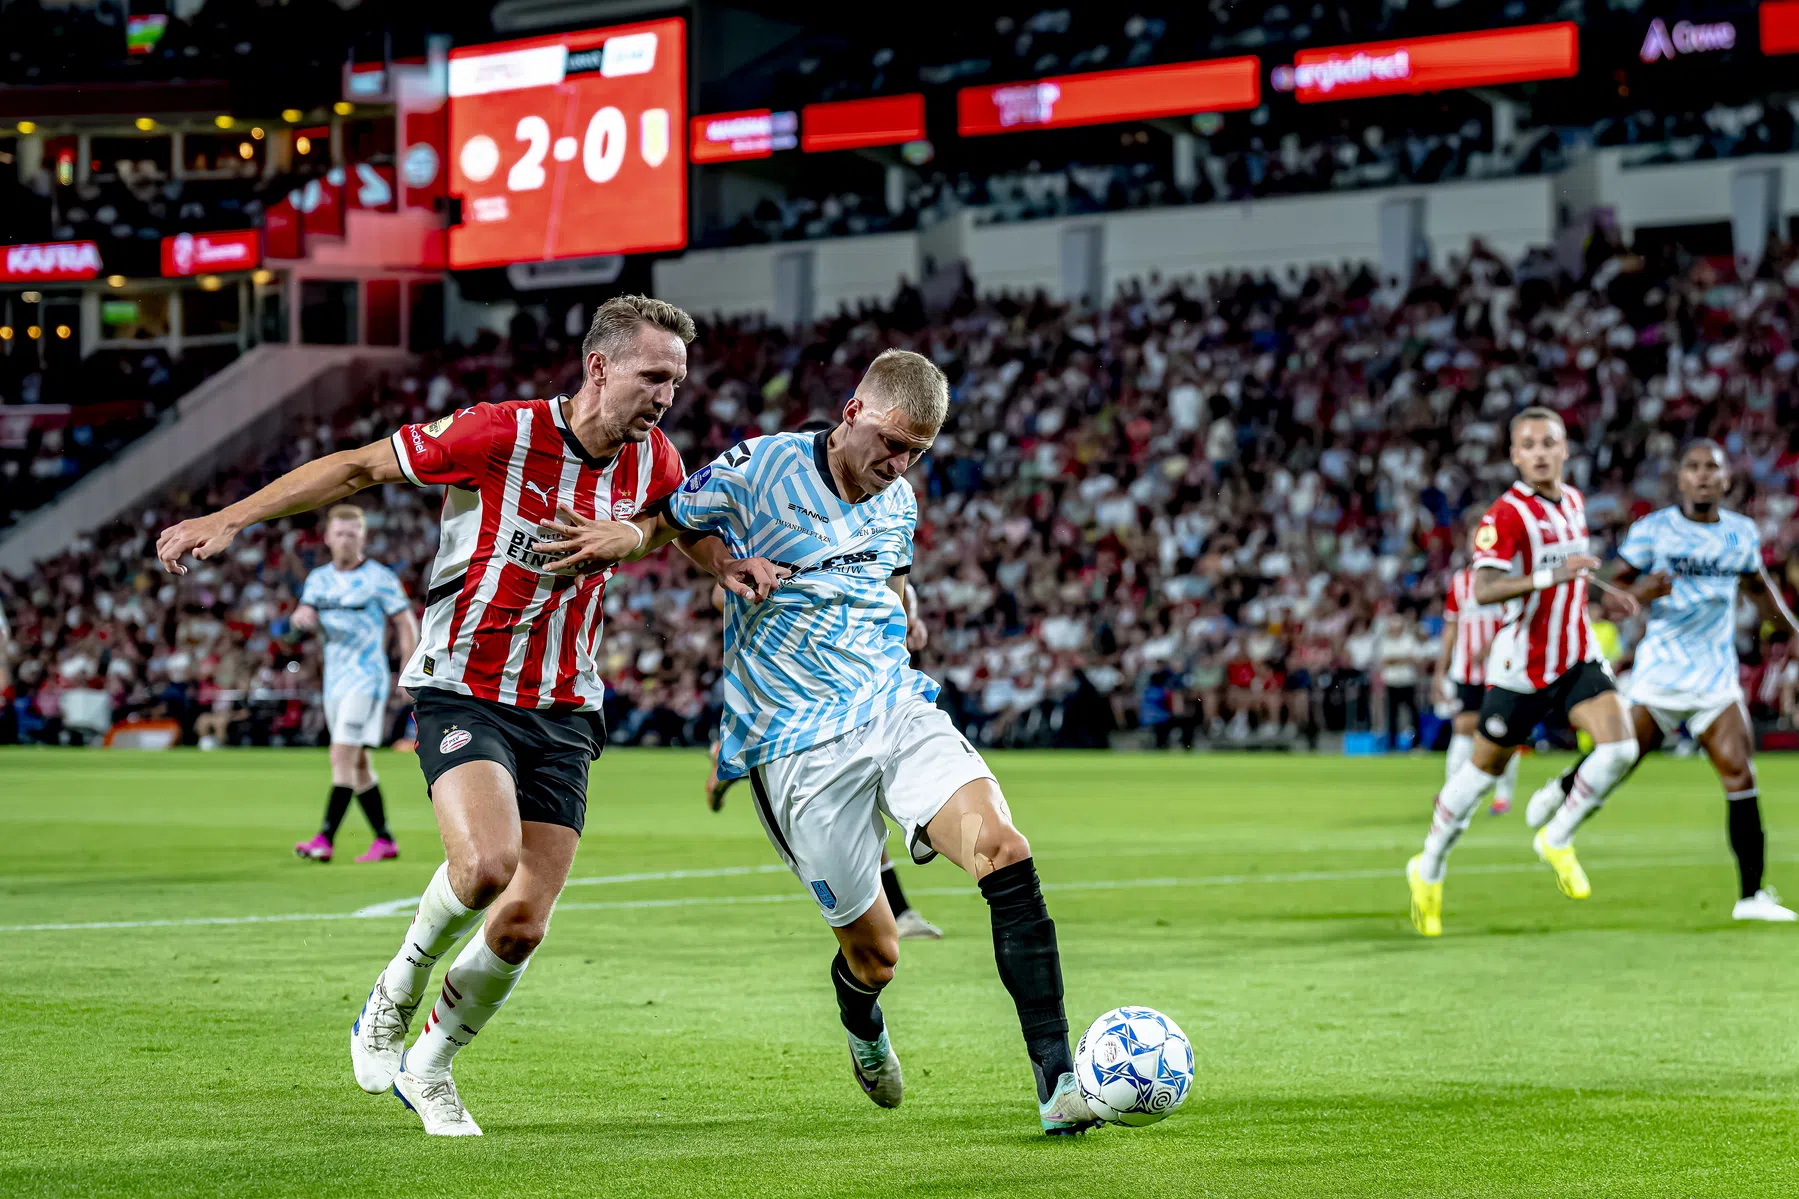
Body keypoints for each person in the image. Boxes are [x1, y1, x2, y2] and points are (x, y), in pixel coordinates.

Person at [155, 295, 778, 1136]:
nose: (668, 395)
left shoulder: (655, 458)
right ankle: (393, 990)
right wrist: (229, 518)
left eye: (677, 380)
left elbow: (670, 520)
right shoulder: (496, 433)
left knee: (521, 922)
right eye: (653, 375)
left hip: (564, 701)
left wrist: (721, 564)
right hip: (465, 684)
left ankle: (432, 1064)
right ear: (600, 365)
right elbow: (358, 469)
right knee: (486, 866)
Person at [545, 349, 1098, 1133]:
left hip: (893, 709)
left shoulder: (896, 500)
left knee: (1004, 850)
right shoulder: (759, 467)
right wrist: (640, 542)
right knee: (877, 955)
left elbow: (894, 575)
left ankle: (1058, 1082)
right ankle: (860, 1017)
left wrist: (905, 611)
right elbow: (670, 518)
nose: (898, 464)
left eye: (916, 454)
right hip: (796, 746)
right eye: (892, 443)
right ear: (852, 412)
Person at [1525, 440, 1799, 921]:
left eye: (1712, 468)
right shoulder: (1654, 531)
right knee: (1619, 764)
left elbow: (1759, 589)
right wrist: (1640, 591)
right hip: (1659, 675)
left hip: (1715, 676)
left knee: (1740, 774)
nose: (1703, 476)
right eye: (1693, 468)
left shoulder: (1741, 534)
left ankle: (1751, 897)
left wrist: (1793, 633)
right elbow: (1608, 594)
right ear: (1681, 479)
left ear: (1726, 480)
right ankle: (1564, 786)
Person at [1405, 407, 1641, 937]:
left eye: (1548, 443)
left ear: (1564, 450)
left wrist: (1607, 597)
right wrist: (1551, 574)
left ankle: (1555, 830)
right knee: (1478, 778)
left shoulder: (1575, 501)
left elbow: (1575, 575)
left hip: (1576, 652)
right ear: (1515, 455)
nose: (1538, 452)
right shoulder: (1504, 515)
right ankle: (1429, 866)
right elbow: (1485, 587)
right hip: (1521, 668)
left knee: (1622, 747)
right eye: (1528, 444)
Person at [290, 504, 419, 864]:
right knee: (358, 765)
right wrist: (300, 618)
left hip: (367, 678)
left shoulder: (379, 578)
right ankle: (385, 840)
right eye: (340, 533)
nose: (346, 539)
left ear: (363, 537)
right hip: (334, 680)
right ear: (328, 537)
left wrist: (407, 669)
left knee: (340, 755)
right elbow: (302, 622)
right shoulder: (317, 580)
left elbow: (406, 623)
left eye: (353, 533)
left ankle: (325, 839)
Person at [1431, 564, 1520, 815]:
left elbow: (1517, 619)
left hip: (1502, 669)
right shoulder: (1459, 581)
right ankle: (1452, 794)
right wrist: (1441, 670)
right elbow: (1451, 628)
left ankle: (1503, 796)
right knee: (1463, 728)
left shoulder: (1506, 578)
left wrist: (1493, 644)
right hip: (1467, 671)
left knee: (1503, 731)